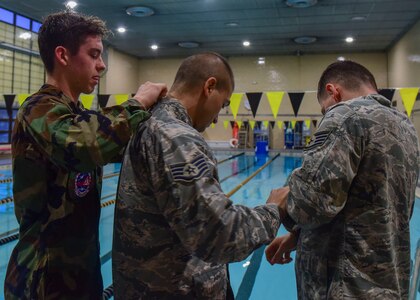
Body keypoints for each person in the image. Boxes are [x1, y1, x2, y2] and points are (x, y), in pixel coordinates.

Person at [4, 11, 167, 300]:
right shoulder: (38, 109)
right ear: (63, 56)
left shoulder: (79, 116)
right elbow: (85, 146)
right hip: (42, 279)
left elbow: (115, 145)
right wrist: (138, 102)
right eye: (94, 55)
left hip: (81, 275)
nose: (102, 65)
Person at [112, 52, 282, 299]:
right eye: (223, 105)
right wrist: (273, 210)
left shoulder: (146, 124)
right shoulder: (177, 137)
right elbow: (217, 234)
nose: (216, 119)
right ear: (209, 87)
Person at [265, 60, 419, 299]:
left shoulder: (346, 115)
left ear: (333, 91)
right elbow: (381, 210)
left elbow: (311, 204)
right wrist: (298, 236)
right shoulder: (405, 126)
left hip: (345, 287)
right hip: (388, 283)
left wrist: (283, 200)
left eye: (324, 109)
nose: (327, 114)